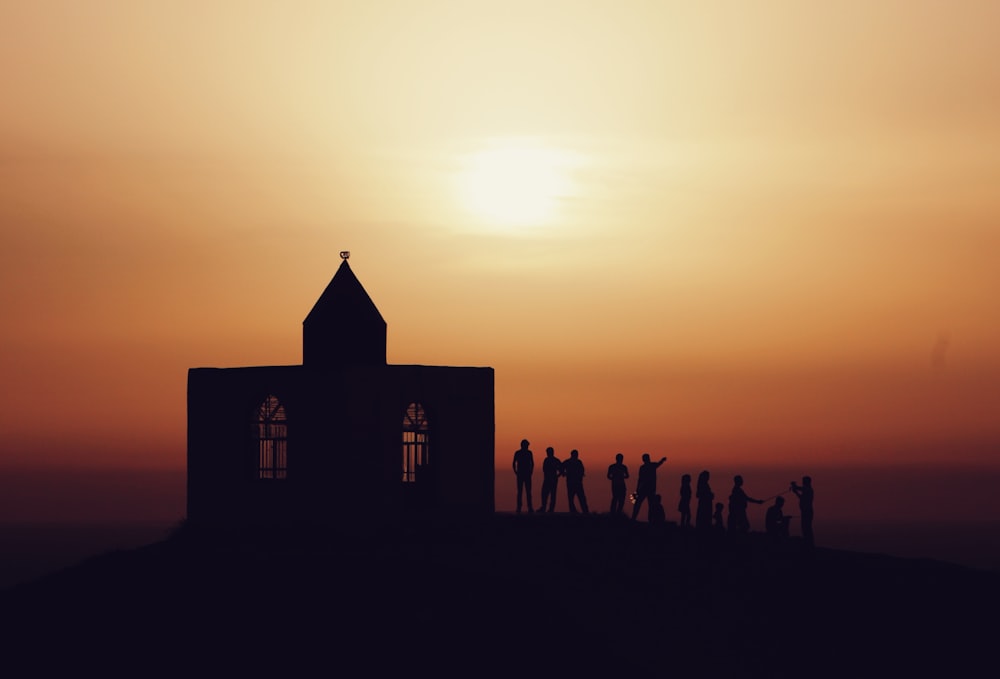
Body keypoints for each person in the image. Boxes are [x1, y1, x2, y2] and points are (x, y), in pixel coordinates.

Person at [631, 453, 667, 521]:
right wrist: (662, 460)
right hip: (649, 489)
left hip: (644, 488)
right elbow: (659, 464)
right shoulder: (651, 466)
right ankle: (650, 520)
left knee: (639, 504)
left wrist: (637, 489)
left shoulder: (643, 467)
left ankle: (634, 518)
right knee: (650, 505)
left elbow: (640, 479)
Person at [791, 476, 815, 547]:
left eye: (804, 481)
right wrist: (795, 492)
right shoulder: (808, 490)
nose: (803, 482)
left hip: (807, 512)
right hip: (805, 511)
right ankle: (808, 543)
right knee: (806, 527)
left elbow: (799, 488)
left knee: (806, 527)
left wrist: (794, 486)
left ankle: (809, 544)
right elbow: (802, 498)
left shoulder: (807, 489)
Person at [562, 449, 589, 514]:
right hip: (575, 482)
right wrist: (563, 473)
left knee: (574, 498)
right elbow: (561, 467)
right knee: (579, 497)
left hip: (574, 482)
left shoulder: (570, 462)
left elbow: (582, 471)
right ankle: (583, 511)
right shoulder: (577, 462)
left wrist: (563, 473)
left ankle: (580, 511)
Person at [512, 439, 534, 514]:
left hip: (523, 474)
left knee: (525, 491)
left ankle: (527, 507)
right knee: (523, 491)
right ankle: (522, 507)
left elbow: (532, 463)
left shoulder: (527, 453)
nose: (527, 446)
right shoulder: (525, 453)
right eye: (527, 445)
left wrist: (516, 472)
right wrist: (516, 472)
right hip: (523, 474)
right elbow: (514, 463)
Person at [539, 447, 562, 513]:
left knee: (551, 494)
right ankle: (544, 508)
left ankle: (550, 509)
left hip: (551, 480)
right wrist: (558, 475)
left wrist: (558, 475)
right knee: (545, 494)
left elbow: (560, 469)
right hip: (549, 479)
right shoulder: (549, 460)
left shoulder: (553, 460)